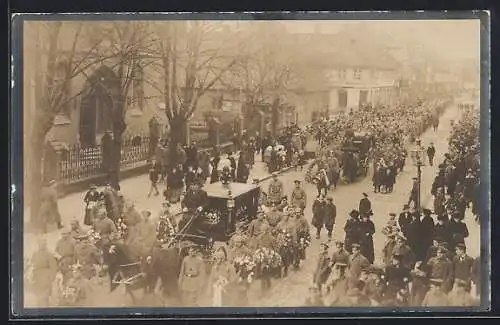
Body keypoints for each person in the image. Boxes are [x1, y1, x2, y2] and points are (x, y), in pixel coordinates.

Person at [29, 237, 58, 307]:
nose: (41, 245)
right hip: (37, 278)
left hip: (46, 278)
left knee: (44, 299)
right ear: (38, 244)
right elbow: (32, 264)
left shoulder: (49, 254)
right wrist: (31, 275)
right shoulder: (35, 253)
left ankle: (45, 312)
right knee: (38, 298)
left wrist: (51, 278)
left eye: (43, 244)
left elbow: (54, 268)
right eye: (40, 244)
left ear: (45, 245)